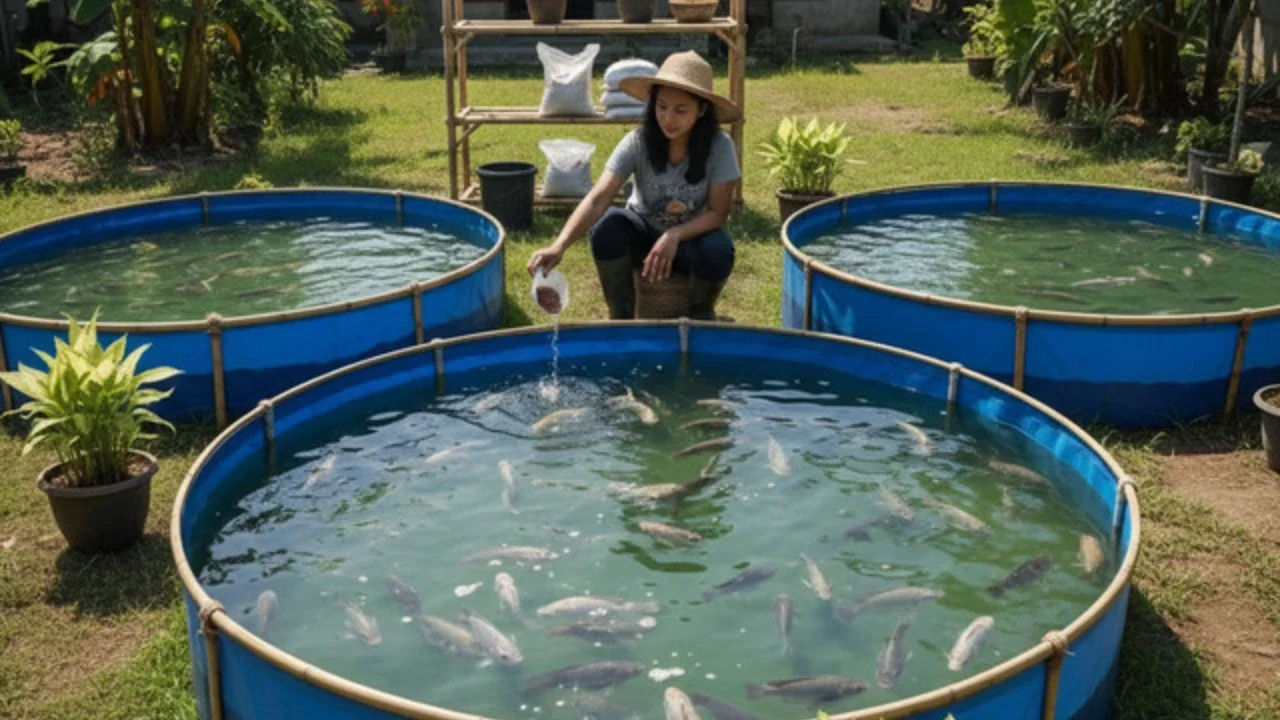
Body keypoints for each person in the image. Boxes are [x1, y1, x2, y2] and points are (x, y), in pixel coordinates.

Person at [526, 51, 741, 320]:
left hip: (691, 242)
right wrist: (558, 245)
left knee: (718, 248)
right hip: (642, 236)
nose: (668, 118)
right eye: (661, 107)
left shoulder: (720, 146)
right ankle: (621, 316)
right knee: (608, 226)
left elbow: (717, 214)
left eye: (680, 110)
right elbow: (598, 198)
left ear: (702, 110)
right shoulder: (638, 141)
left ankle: (700, 314)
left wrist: (674, 235)